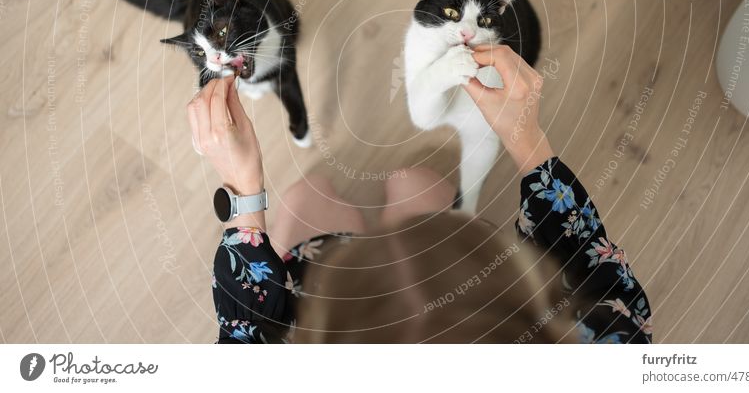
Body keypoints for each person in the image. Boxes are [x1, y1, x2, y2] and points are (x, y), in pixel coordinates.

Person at [187, 45, 652, 344]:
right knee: (416, 182)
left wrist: (244, 197)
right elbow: (596, 275)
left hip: (314, 287)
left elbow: (246, 334)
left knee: (311, 194)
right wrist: (526, 139)